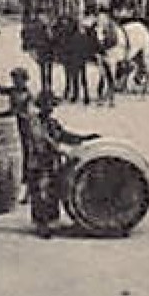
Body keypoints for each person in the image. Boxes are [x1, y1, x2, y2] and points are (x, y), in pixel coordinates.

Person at [16, 88, 98, 238]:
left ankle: (49, 223)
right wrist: (60, 151)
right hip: (39, 162)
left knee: (52, 191)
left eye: (51, 106)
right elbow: (42, 140)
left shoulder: (52, 123)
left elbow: (64, 135)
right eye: (47, 105)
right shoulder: (34, 122)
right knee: (41, 191)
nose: (50, 109)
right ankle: (42, 225)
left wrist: (85, 138)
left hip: (50, 161)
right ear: (41, 106)